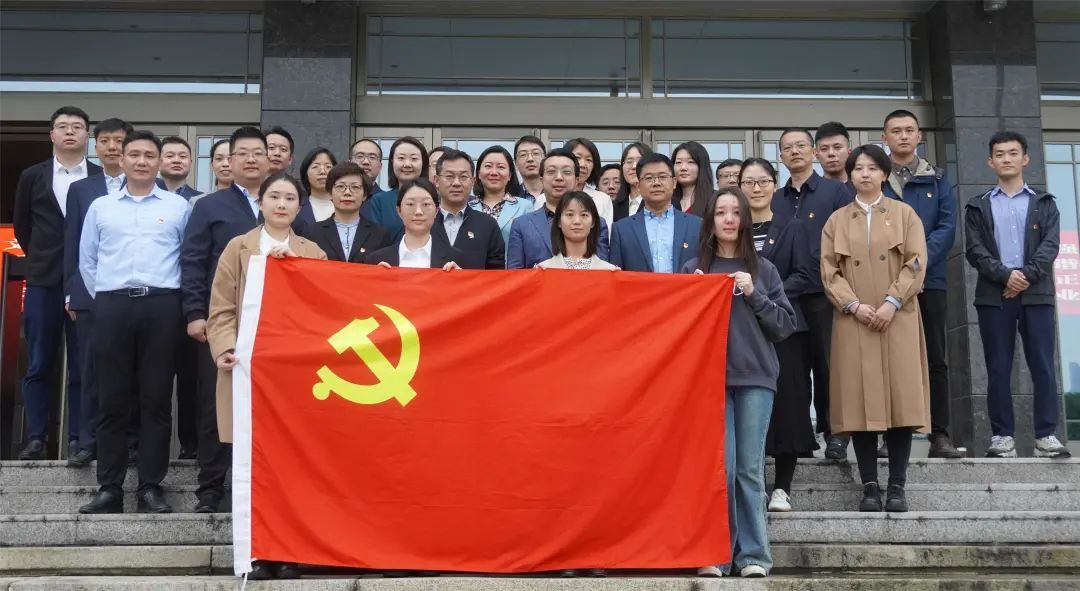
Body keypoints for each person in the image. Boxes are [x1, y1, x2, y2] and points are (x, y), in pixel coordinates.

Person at [207, 172, 326, 580]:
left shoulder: (312, 252)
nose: (281, 204)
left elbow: (323, 310)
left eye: (290, 198)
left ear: (299, 206)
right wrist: (224, 346)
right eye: (274, 196)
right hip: (248, 371)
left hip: (294, 377)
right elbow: (221, 308)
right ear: (261, 202)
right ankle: (256, 552)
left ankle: (289, 550)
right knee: (253, 466)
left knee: (293, 467)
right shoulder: (238, 247)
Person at [684, 187, 796, 579]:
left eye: (735, 212)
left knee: (748, 469)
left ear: (745, 220)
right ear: (710, 221)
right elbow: (679, 332)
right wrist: (691, 296)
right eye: (721, 212)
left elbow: (784, 326)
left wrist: (754, 293)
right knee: (721, 470)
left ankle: (754, 556)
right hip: (709, 382)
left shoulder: (764, 270)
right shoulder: (693, 268)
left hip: (755, 378)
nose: (729, 219)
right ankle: (717, 554)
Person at [76, 130, 190, 515]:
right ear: (121, 160)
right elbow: (88, 261)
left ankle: (150, 487)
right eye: (135, 154)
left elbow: (187, 258)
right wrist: (108, 298)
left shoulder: (178, 207)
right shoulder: (101, 207)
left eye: (149, 155)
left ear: (159, 162)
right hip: (113, 306)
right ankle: (109, 488)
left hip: (162, 306)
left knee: (156, 399)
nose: (142, 161)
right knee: (111, 399)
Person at [821, 144, 930, 513]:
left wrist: (891, 302)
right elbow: (829, 271)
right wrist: (854, 305)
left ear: (884, 173)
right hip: (854, 320)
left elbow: (916, 262)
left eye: (872, 168)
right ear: (850, 175)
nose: (864, 174)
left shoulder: (904, 214)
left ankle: (897, 485)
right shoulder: (836, 221)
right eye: (858, 168)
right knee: (860, 405)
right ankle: (869, 485)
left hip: (897, 318)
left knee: (900, 404)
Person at [181, 126, 270, 514]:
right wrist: (195, 313)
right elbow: (193, 261)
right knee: (215, 405)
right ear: (228, 162)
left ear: (270, 160)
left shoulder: (283, 201)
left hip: (272, 324)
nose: (251, 159)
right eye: (242, 153)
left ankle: (259, 485)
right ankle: (211, 486)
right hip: (224, 320)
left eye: (258, 153)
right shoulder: (209, 206)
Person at [965, 131, 1069, 458]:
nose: (1006, 159)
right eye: (1000, 154)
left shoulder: (1044, 203)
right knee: (998, 367)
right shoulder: (978, 205)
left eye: (1012, 153)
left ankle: (1046, 436)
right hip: (993, 296)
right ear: (990, 161)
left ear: (1025, 159)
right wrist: (1006, 276)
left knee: (1043, 365)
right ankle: (1002, 437)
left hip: (1037, 295)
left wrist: (1023, 277)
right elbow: (975, 251)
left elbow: (1050, 246)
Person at [13, 105, 100, 460]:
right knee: (38, 361)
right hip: (43, 280)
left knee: (83, 363)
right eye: (62, 126)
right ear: (51, 134)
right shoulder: (32, 176)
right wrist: (43, 258)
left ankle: (80, 438)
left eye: (76, 126)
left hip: (86, 282)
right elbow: (23, 226)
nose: (69, 132)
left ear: (87, 135)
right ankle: (36, 436)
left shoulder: (98, 178)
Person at [881, 110, 961, 459]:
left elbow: (947, 226)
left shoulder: (937, 178)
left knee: (935, 358)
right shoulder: (877, 177)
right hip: (885, 284)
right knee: (888, 359)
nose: (903, 136)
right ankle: (889, 435)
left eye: (909, 130)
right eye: (895, 131)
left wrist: (916, 262)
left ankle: (939, 434)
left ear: (919, 136)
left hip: (930, 280)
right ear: (884, 138)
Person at [771, 128, 854, 460]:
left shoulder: (836, 192)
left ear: (814, 152)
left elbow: (848, 240)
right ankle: (801, 437)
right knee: (793, 370)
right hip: (785, 297)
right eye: (787, 148)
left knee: (828, 365)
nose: (795, 151)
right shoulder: (775, 199)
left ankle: (834, 433)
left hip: (824, 293)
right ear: (780, 157)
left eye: (801, 146)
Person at [741, 158, 817, 511]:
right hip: (742, 330)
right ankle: (751, 484)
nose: (756, 188)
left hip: (785, 328)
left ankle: (782, 487)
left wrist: (767, 298)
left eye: (763, 181)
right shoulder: (732, 228)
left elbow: (804, 274)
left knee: (788, 404)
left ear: (775, 185)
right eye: (748, 182)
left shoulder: (793, 226)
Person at [63, 116, 132, 466]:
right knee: (90, 370)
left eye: (118, 140)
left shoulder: (150, 186)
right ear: (96, 145)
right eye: (104, 141)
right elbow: (73, 244)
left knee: (131, 370)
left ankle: (130, 443)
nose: (112, 147)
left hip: (133, 294)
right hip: (90, 295)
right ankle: (87, 441)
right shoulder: (81, 189)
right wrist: (71, 292)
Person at [159, 136, 201, 460]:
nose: (176, 160)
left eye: (182, 155)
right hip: (157, 298)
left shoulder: (202, 202)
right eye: (170, 154)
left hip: (189, 300)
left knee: (191, 378)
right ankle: (148, 447)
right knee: (153, 378)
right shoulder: (145, 198)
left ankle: (190, 443)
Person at [507, 149, 610, 269]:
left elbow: (602, 271)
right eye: (551, 172)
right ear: (541, 179)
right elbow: (515, 274)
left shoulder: (597, 223)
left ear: (577, 180)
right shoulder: (522, 225)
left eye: (566, 172)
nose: (559, 177)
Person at [609, 153, 699, 273]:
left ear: (674, 182)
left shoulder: (696, 225)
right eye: (649, 178)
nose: (656, 183)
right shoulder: (621, 229)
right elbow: (616, 275)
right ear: (638, 185)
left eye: (662, 177)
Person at [364, 178, 464, 270]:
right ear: (399, 211)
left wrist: (459, 277)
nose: (418, 212)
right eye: (410, 204)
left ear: (436, 211)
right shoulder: (376, 260)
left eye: (426, 204)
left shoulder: (454, 259)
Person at [302, 161, 391, 263]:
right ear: (330, 193)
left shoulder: (380, 234)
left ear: (365, 195)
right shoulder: (312, 233)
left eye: (355, 187)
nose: (347, 192)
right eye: (340, 186)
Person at [430, 148, 505, 269]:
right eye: (449, 176)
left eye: (463, 177)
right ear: (437, 181)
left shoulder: (488, 225)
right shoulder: (423, 222)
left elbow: (496, 275)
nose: (456, 183)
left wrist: (465, 277)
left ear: (473, 181)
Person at [361, 136, 429, 238]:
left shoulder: (433, 200)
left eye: (414, 159)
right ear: (392, 162)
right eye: (401, 158)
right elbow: (374, 240)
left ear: (423, 163)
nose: (407, 164)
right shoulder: (379, 201)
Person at [469, 145, 532, 251]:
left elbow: (530, 246)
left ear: (510, 175)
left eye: (501, 167)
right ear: (479, 174)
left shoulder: (525, 206)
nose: (494, 172)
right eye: (488, 166)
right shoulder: (467, 207)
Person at [537, 192, 619, 271]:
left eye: (584, 215)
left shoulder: (608, 271)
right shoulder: (544, 269)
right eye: (570, 214)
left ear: (593, 222)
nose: (577, 221)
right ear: (559, 221)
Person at [564, 137, 615, 231]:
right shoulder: (545, 198)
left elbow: (605, 236)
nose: (583, 165)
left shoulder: (603, 200)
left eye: (589, 160)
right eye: (578, 158)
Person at [293, 147, 338, 234]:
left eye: (328, 166)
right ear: (306, 174)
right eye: (315, 167)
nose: (323, 171)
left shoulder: (347, 205)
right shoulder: (296, 208)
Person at [672, 141, 715, 217]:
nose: (683, 168)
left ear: (702, 166)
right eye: (678, 162)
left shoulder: (715, 199)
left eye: (690, 162)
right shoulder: (666, 201)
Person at [613, 142, 652, 221]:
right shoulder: (615, 205)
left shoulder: (662, 202)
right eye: (629, 162)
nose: (634, 166)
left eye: (639, 161)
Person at [514, 135, 546, 200]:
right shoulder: (510, 198)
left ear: (545, 160)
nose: (530, 159)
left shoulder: (558, 194)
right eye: (523, 155)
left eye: (536, 153)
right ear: (515, 163)